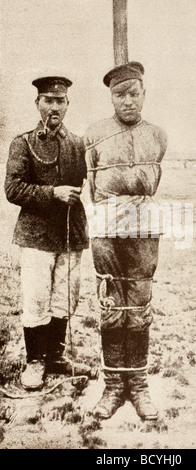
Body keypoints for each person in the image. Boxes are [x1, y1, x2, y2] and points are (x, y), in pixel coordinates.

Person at [84, 62, 168, 420]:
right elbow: (92, 182)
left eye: (134, 94)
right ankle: (114, 385)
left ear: (144, 95)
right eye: (120, 95)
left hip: (145, 227)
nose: (128, 102)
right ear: (111, 97)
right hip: (106, 227)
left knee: (139, 303)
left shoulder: (158, 135)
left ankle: (139, 384)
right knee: (111, 304)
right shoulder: (95, 134)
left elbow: (155, 178)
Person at [5, 76, 90, 390]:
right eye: (48, 101)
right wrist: (51, 193)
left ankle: (55, 355)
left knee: (64, 299)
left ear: (67, 104)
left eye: (60, 101)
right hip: (36, 235)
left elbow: (92, 180)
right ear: (37, 103)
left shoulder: (79, 143)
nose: (54, 107)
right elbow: (12, 189)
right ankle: (35, 361)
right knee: (37, 298)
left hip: (71, 234)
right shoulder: (22, 142)